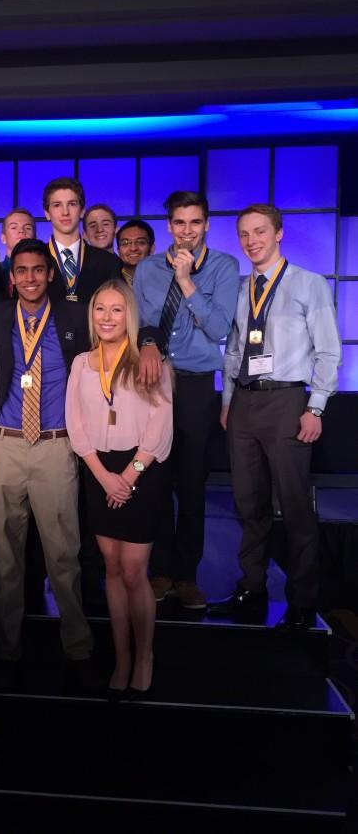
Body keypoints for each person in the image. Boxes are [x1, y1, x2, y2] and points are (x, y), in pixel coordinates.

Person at [213, 204, 341, 631]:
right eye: (245, 234)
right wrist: (229, 401)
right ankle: (252, 587)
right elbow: (233, 350)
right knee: (248, 504)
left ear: (279, 233)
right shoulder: (240, 289)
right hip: (246, 402)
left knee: (294, 505)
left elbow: (328, 350)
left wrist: (316, 405)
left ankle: (303, 602)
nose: (252, 241)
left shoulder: (309, 284)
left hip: (288, 402)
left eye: (260, 232)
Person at [0, 238, 95, 691]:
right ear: (13, 277)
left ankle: (78, 645)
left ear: (51, 274)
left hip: (55, 446)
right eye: (22, 270)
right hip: (5, 445)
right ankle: (8, 644)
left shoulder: (72, 316)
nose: (29, 278)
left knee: (64, 553)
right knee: (5, 554)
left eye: (37, 270)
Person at [66, 279, 172, 698]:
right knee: (110, 569)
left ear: (128, 315)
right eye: (99, 310)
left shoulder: (148, 361)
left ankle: (144, 656)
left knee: (133, 571)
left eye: (115, 310)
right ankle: (121, 656)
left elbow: (160, 427)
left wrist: (127, 476)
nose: (107, 318)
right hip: (98, 471)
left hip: (141, 470)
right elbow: (75, 424)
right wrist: (102, 474)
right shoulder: (81, 363)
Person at [133, 191, 240, 609]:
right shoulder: (145, 269)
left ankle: (186, 574)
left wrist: (185, 282)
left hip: (196, 383)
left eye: (195, 223)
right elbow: (142, 322)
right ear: (170, 227)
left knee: (192, 484)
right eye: (179, 223)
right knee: (155, 477)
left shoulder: (224, 267)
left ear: (207, 224)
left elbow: (217, 329)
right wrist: (146, 344)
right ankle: (159, 571)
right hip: (154, 381)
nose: (187, 231)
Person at [44, 177, 121, 304]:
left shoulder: (109, 262)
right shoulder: (37, 258)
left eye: (72, 204)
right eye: (57, 205)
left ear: (82, 211)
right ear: (47, 213)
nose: (65, 212)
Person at [0, 208, 36, 295]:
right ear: (3, 238)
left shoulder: (43, 273)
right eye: (14, 227)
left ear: (35, 237)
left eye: (28, 228)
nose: (21, 231)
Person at [116, 218, 155, 285]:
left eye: (140, 242)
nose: (133, 248)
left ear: (152, 248)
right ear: (118, 251)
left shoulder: (164, 279)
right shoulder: (110, 279)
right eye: (125, 243)